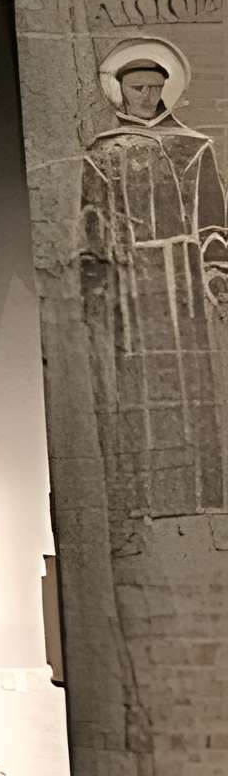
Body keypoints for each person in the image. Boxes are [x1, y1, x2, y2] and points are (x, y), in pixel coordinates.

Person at [80, 38, 228, 522]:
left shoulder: (192, 146)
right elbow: (92, 220)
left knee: (190, 383)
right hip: (129, 282)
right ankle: (140, 499)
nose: (145, 96)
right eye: (136, 87)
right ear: (119, 91)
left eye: (153, 88)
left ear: (166, 90)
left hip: (180, 277)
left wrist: (214, 271)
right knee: (133, 383)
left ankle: (199, 495)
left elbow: (213, 219)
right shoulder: (102, 153)